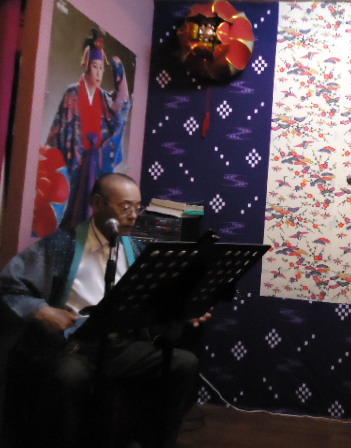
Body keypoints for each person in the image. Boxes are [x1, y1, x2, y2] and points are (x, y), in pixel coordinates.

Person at [1, 173, 209, 448]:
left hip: (119, 345)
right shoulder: (62, 245)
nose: (133, 215)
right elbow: (9, 285)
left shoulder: (135, 247)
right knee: (68, 376)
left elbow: (152, 299)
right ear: (98, 204)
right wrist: (43, 310)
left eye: (138, 207)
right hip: (74, 345)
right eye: (125, 207)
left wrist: (183, 310)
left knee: (182, 363)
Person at [33, 27, 132, 237]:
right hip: (76, 162)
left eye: (101, 68)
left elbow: (122, 107)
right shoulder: (72, 93)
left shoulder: (104, 98)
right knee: (71, 219)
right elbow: (59, 130)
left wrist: (120, 73)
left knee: (96, 216)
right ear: (86, 65)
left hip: (98, 163)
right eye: (95, 66)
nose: (98, 73)